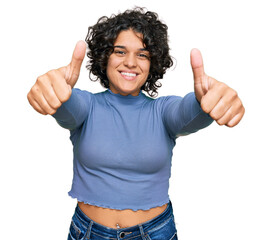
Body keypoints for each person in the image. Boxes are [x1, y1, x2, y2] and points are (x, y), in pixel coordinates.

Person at [27, 7, 245, 240]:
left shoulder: (162, 111)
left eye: (142, 54)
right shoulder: (87, 106)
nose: (131, 62)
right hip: (88, 233)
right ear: (105, 57)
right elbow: (66, 105)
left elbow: (187, 112)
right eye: (120, 52)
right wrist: (53, 92)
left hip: (154, 233)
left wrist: (207, 101)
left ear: (152, 63)